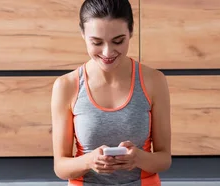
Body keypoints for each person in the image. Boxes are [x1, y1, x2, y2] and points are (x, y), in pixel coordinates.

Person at [50, 0, 172, 185]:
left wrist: (138, 158)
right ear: (83, 34)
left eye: (118, 41)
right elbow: (61, 167)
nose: (107, 52)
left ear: (131, 32)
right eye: (97, 42)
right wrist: (89, 161)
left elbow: (164, 159)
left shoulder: (154, 81)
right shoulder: (66, 85)